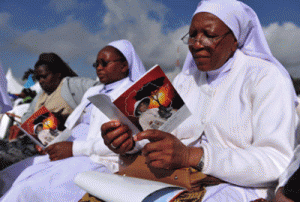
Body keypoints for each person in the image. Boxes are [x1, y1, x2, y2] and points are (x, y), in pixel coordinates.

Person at [101, 0, 297, 201]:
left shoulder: (265, 78)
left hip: (239, 189)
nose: (196, 44)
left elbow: (277, 162)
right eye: (192, 35)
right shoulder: (185, 80)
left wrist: (194, 156)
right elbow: (164, 138)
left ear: (235, 41)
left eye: (209, 35)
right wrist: (129, 141)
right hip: (175, 180)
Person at [0, 39, 146, 201]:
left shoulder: (133, 94)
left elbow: (130, 141)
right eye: (96, 64)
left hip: (95, 158)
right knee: (8, 176)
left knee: (26, 189)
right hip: (66, 149)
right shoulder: (94, 90)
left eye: (104, 63)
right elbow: (71, 124)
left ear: (124, 65)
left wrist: (74, 149)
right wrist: (51, 139)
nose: (99, 68)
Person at [0, 53, 98, 170]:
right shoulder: (41, 95)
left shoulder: (71, 85)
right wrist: (30, 128)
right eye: (38, 78)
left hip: (56, 145)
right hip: (34, 142)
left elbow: (101, 88)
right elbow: (26, 117)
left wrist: (72, 118)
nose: (41, 81)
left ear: (58, 74)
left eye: (44, 76)